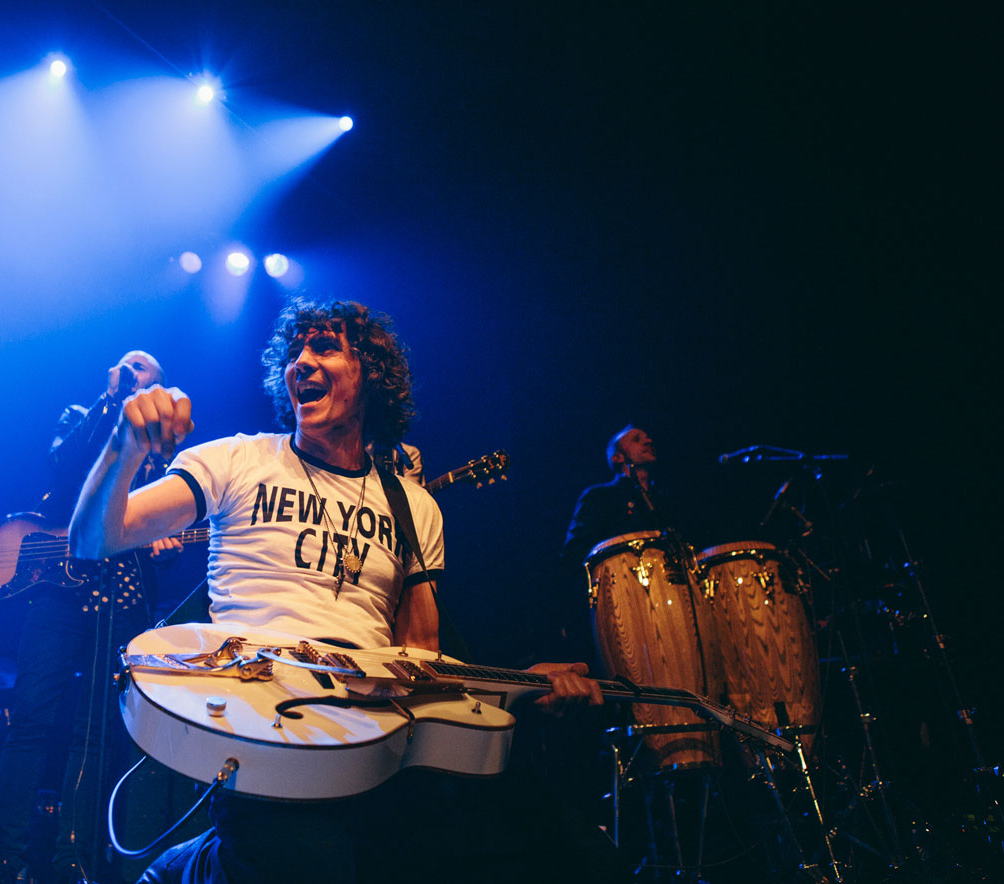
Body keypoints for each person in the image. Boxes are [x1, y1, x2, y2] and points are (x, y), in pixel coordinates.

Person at [71, 299, 607, 883]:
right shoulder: (237, 460)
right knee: (306, 861)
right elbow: (96, 538)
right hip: (259, 719)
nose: (302, 361)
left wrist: (523, 688)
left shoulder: (414, 506)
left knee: (566, 849)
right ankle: (198, 866)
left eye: (324, 347)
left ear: (372, 375)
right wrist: (126, 444)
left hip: (368, 735)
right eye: (295, 351)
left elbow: (421, 660)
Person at [0, 350, 176, 884]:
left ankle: (74, 861)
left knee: (94, 729)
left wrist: (164, 542)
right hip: (59, 587)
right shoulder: (82, 415)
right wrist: (108, 403)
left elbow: (169, 512)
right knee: (30, 718)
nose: (134, 371)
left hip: (122, 587)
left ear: (161, 386)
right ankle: (9, 861)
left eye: (146, 370)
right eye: (128, 365)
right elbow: (63, 467)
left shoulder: (164, 443)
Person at [561, 424, 671, 565]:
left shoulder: (663, 499)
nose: (648, 441)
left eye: (648, 438)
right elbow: (574, 552)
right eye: (637, 440)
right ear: (617, 457)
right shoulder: (599, 496)